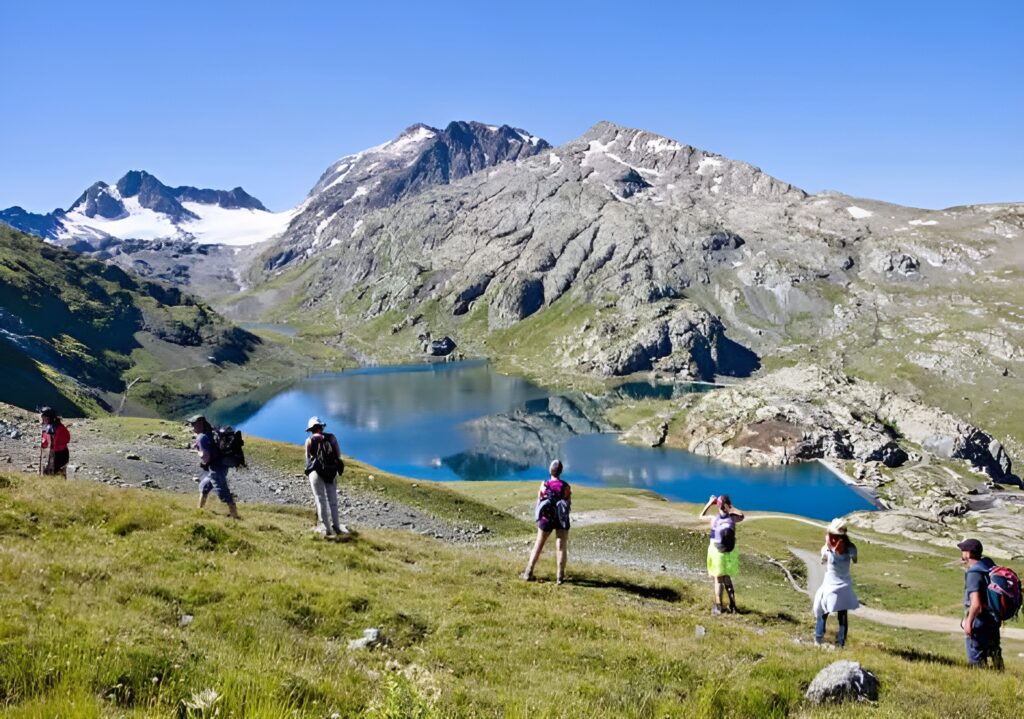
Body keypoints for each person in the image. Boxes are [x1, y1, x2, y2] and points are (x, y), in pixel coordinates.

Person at [521, 460, 571, 584]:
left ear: (550, 470)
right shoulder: (566, 486)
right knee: (561, 546)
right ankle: (560, 576)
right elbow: (568, 504)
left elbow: (540, 499)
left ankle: (528, 572)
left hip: (546, 518)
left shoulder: (545, 484)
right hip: (560, 519)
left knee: (539, 543)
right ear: (560, 471)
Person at [812, 518, 859, 647]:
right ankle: (840, 643)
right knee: (842, 615)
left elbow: (823, 561)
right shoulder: (851, 548)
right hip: (844, 585)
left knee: (822, 611)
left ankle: (818, 639)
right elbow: (855, 560)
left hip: (831, 585)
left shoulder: (826, 548)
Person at [959, 538, 1003, 669]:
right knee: (995, 653)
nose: (961, 553)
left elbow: (976, 604)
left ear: (968, 553)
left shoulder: (974, 573)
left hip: (980, 621)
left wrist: (968, 622)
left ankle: (978, 677)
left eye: (963, 550)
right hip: (993, 619)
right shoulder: (988, 566)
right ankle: (1000, 676)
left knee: (976, 659)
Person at [189, 414, 240, 520]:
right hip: (221, 466)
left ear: (200, 425)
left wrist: (197, 451)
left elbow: (206, 457)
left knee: (223, 492)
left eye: (193, 424)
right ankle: (199, 510)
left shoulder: (201, 437)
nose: (192, 426)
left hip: (216, 469)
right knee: (204, 486)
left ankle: (235, 517)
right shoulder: (211, 432)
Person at [303, 416, 348, 538]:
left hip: (315, 473)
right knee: (333, 501)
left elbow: (308, 459)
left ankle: (327, 530)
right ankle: (337, 527)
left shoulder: (309, 440)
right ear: (321, 427)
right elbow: (338, 455)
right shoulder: (331, 437)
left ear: (311, 429)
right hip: (330, 472)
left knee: (320, 500)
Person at [699, 494, 744, 614]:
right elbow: (742, 515)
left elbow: (701, 516)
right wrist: (731, 507)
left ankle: (718, 606)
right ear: (728, 505)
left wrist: (710, 503)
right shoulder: (733, 518)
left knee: (718, 579)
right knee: (727, 578)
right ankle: (733, 605)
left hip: (716, 551)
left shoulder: (714, 519)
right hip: (729, 552)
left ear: (718, 506)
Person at [38, 406, 71, 476]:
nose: (42, 418)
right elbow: (67, 439)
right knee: (59, 474)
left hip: (57, 454)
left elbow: (45, 444)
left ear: (48, 417)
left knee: (54, 474)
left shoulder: (51, 429)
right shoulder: (58, 426)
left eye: (43, 416)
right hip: (62, 452)